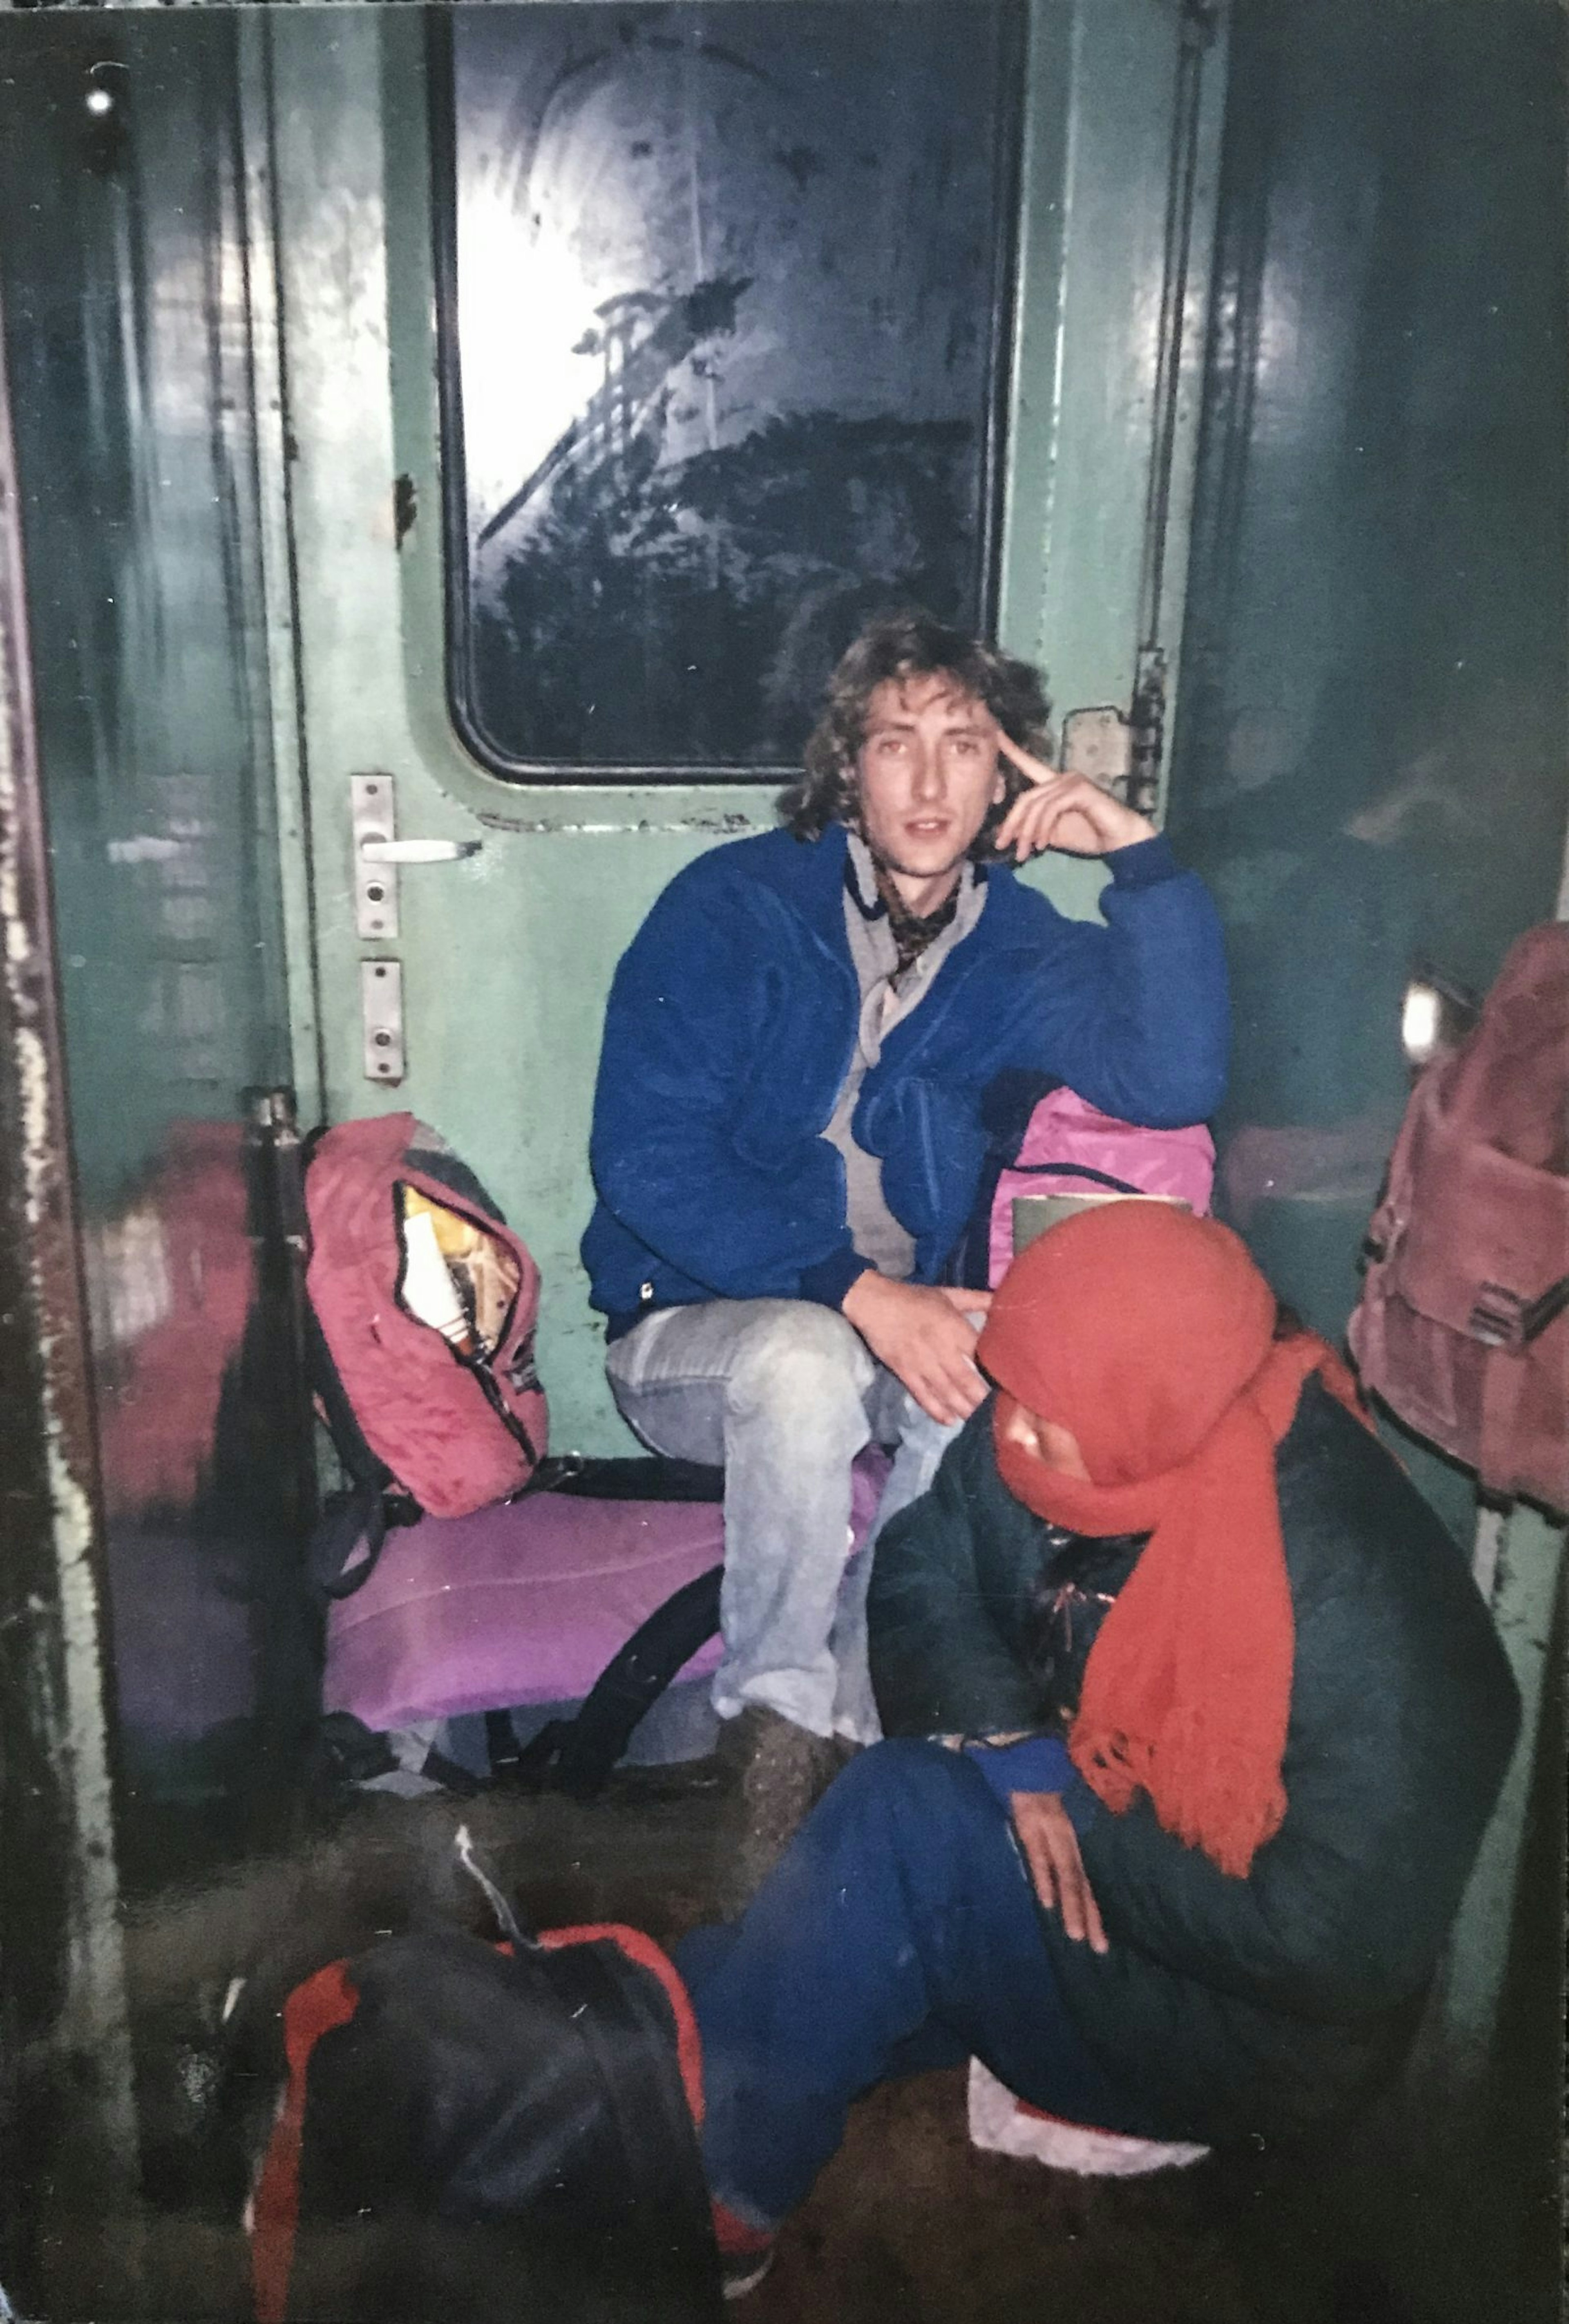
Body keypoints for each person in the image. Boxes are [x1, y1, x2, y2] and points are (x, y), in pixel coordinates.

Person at [675, 1204, 1519, 2288]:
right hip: (1103, 1895)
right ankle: (675, 2024)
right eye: (1010, 1398)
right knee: (795, 1956)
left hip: (1232, 2041)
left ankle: (730, 2206)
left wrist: (1075, 1815)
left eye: (1036, 1415)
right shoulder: (1082, 1412)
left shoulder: (1374, 1610)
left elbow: (1336, 1948)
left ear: (1140, 1407)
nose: (1008, 1433)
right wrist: (1018, 1750)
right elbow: (927, 1563)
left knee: (896, 1824)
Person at [580, 611, 1229, 1864]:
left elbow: (1174, 1076)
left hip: (892, 1327)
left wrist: (1141, 861)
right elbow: (646, 1161)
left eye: (966, 747)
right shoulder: (731, 909)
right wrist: (855, 1291)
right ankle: (768, 1740)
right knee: (802, 1360)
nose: (930, 783)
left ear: (1007, 777)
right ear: (847, 767)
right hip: (696, 1332)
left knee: (978, 1378)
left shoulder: (1020, 946)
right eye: (895, 745)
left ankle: (876, 1732)